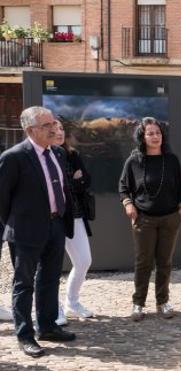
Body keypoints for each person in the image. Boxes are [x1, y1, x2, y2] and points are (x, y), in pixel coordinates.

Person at [0, 106, 76, 358]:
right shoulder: (14, 157)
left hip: (55, 225)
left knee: (50, 279)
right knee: (24, 283)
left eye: (53, 123)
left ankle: (48, 326)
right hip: (25, 230)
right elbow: (3, 199)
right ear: (30, 129)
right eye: (46, 126)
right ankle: (25, 335)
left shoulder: (58, 153)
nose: (54, 129)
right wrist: (15, 225)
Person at [119, 117, 181, 321]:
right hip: (144, 220)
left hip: (169, 219)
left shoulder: (171, 159)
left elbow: (180, 188)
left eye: (157, 132)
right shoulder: (134, 161)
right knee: (143, 262)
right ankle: (138, 303)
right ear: (143, 136)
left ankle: (163, 302)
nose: (155, 136)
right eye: (150, 133)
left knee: (165, 262)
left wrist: (180, 210)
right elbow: (123, 187)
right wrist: (128, 205)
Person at [53, 122, 94, 325]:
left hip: (76, 215)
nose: (59, 133)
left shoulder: (72, 155)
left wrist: (76, 182)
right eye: (55, 129)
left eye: (62, 129)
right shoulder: (45, 157)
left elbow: (85, 179)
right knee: (51, 266)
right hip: (53, 218)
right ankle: (54, 308)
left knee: (84, 261)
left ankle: (72, 302)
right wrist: (75, 181)